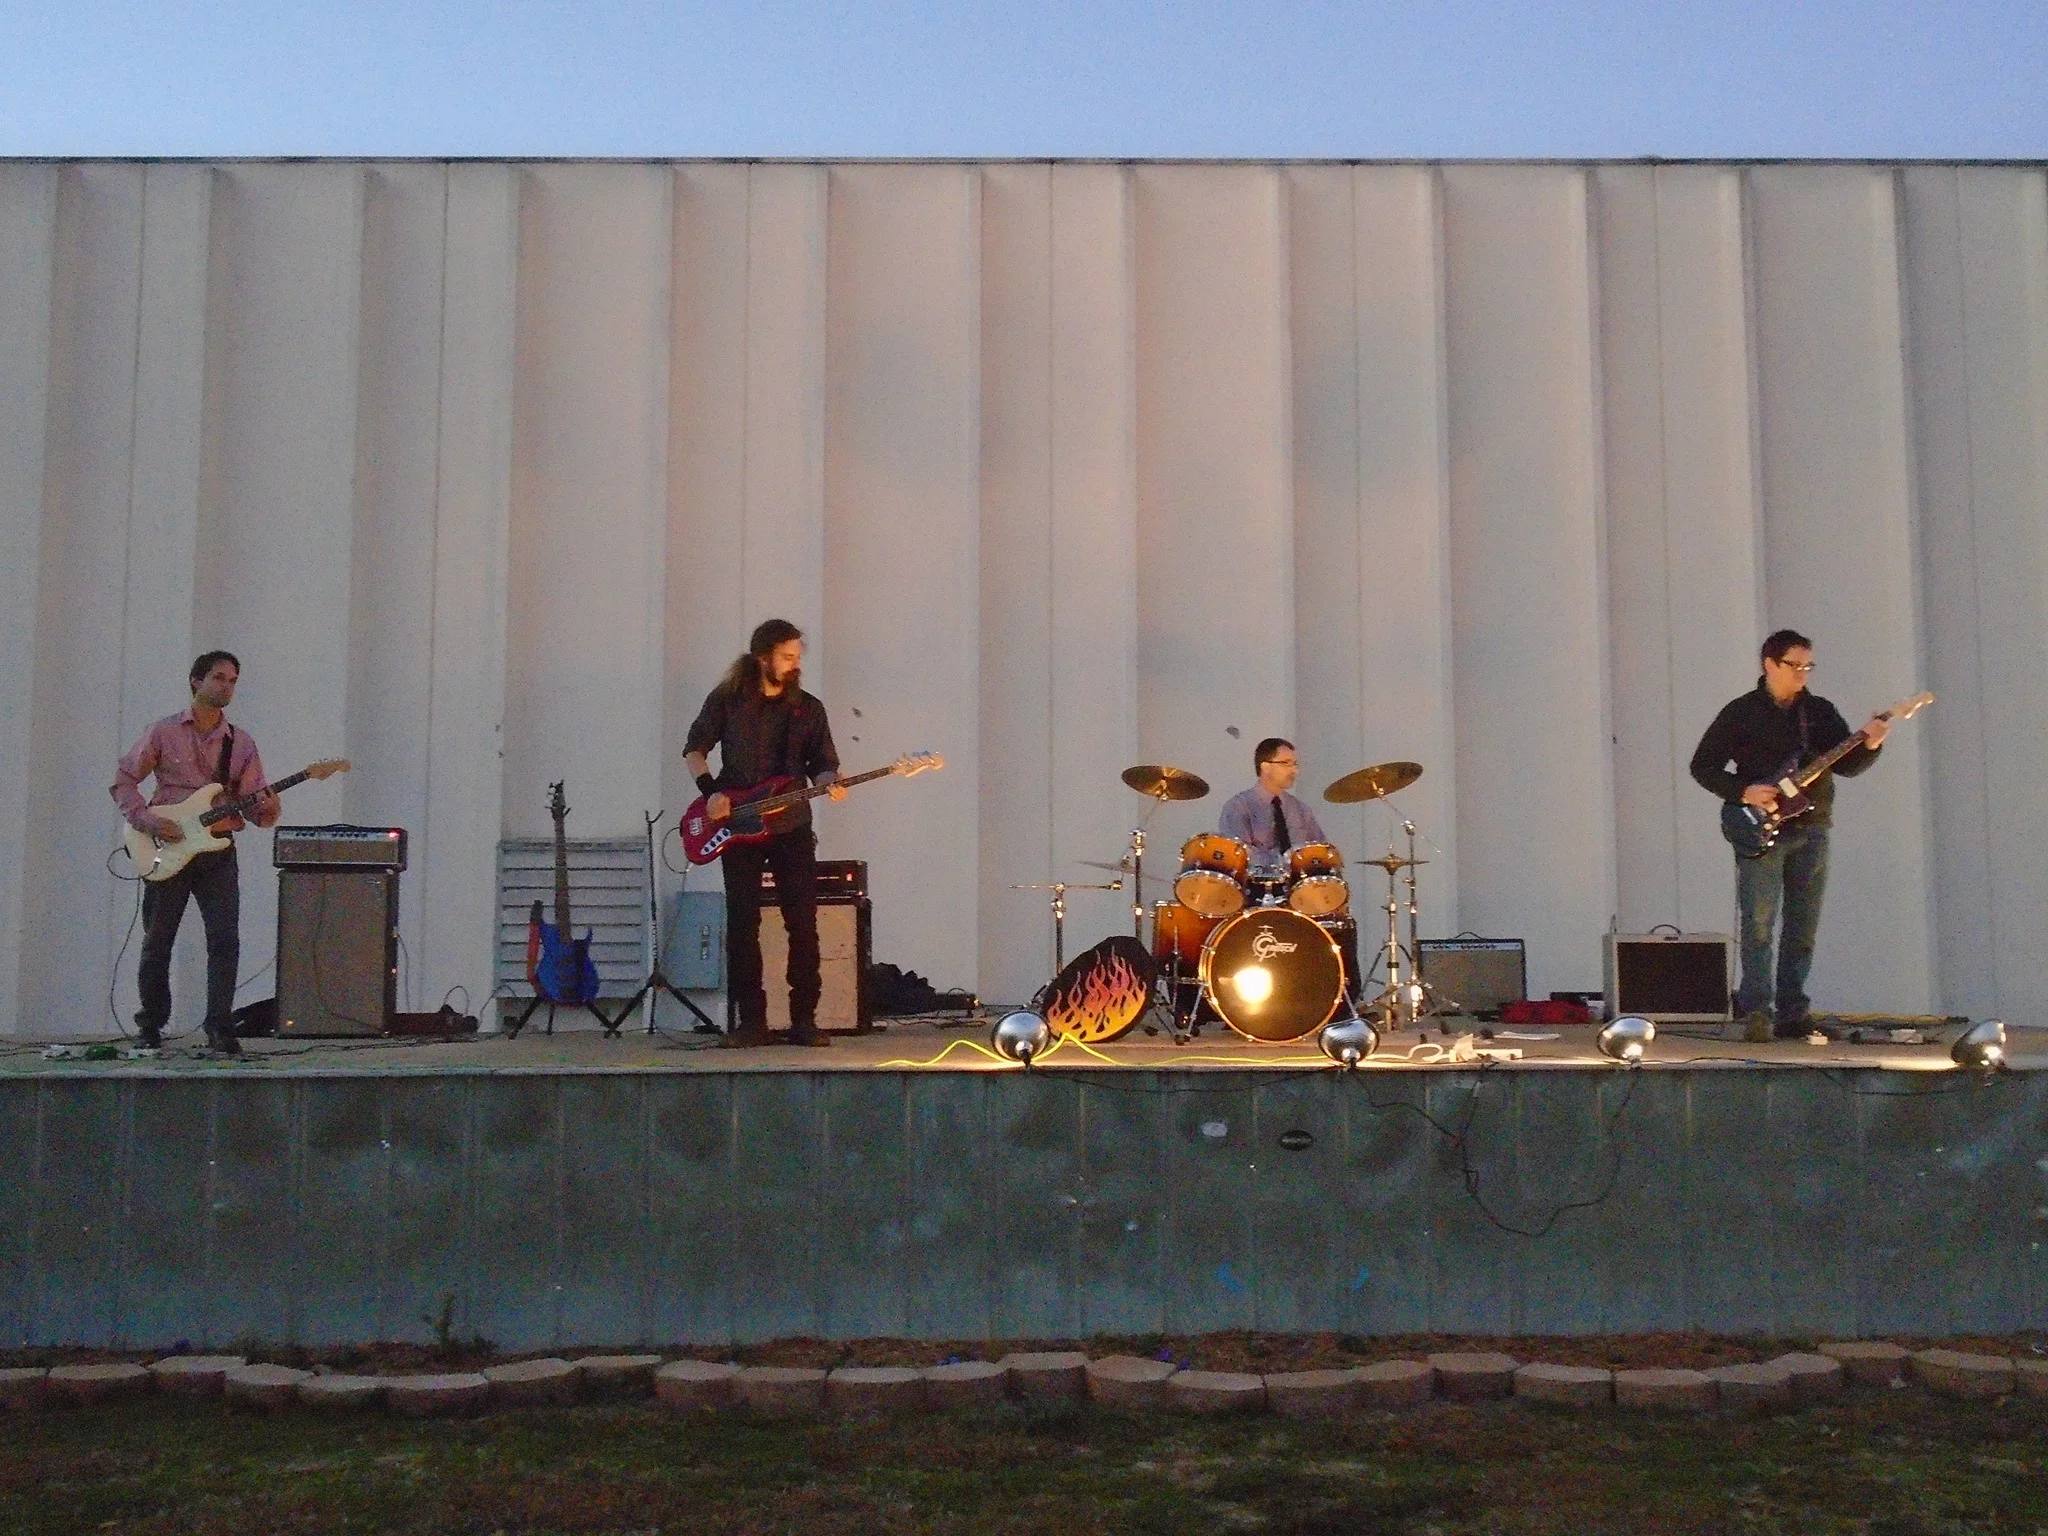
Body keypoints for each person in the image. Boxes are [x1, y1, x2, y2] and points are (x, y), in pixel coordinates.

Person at [1689, 629, 1890, 1042]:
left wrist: (1872, 745)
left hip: (1813, 827)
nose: (1802, 673)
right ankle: (1757, 1012)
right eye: (1794, 665)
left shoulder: (1819, 712)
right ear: (1769, 664)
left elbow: (1847, 767)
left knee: (1803, 924)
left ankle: (1793, 1011)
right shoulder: (1741, 712)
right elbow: (1703, 765)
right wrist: (1744, 791)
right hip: (1759, 827)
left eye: (1807, 666)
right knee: (1759, 922)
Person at [684, 619, 845, 1048]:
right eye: (787, 657)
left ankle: (804, 1020)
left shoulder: (808, 708)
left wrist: (832, 781)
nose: (795, 664)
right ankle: (750, 1022)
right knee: (742, 923)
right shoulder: (728, 700)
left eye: (798, 657)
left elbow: (823, 762)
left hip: (790, 823)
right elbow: (695, 749)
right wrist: (711, 792)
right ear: (763, 658)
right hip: (738, 824)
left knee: (803, 922)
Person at [110, 651, 280, 1054]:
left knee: (224, 939)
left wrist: (268, 807)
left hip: (217, 849)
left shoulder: (240, 742)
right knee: (158, 940)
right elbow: (123, 782)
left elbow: (255, 807)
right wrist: (149, 822)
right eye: (219, 678)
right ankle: (151, 1024)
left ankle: (220, 1026)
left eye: (233, 680)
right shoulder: (163, 732)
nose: (227, 686)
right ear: (195, 681)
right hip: (167, 844)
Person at [1216, 738, 1329, 869]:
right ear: (1266, 767)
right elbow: (1238, 853)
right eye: (1286, 763)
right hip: (1257, 884)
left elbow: (1321, 849)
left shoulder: (1300, 809)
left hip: (1298, 886)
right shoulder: (1239, 807)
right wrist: (1283, 862)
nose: (1294, 771)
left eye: (1295, 764)